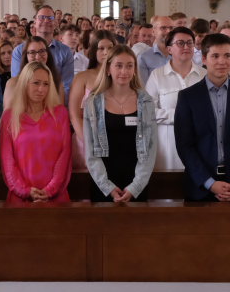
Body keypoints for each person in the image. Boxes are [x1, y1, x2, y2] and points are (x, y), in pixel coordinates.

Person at [174, 34, 230, 202]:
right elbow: (185, 147)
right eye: (215, 56)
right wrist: (209, 183)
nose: (222, 61)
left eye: (227, 55)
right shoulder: (188, 97)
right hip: (200, 186)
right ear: (204, 59)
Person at [83, 45, 157, 202]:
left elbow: (151, 147)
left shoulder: (146, 101)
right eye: (119, 65)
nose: (124, 71)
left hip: (137, 182)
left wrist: (136, 186)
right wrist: (107, 186)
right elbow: (90, 151)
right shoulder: (93, 103)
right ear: (108, 69)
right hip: (103, 183)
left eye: (129, 66)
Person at [0, 62, 72, 204]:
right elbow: (7, 161)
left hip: (55, 196)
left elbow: (65, 155)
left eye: (46, 84)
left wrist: (50, 190)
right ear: (24, 84)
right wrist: (25, 190)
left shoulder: (60, 113)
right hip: (21, 197)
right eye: (36, 83)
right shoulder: (9, 117)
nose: (41, 89)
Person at [144, 27, 205, 171]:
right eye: (180, 43)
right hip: (167, 144)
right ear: (169, 49)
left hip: (200, 142)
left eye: (189, 43)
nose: (186, 47)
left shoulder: (205, 75)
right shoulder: (157, 75)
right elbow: (147, 110)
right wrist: (178, 115)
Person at [69, 30, 117, 171]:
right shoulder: (82, 77)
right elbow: (74, 114)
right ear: (93, 51)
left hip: (114, 138)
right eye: (101, 48)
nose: (106, 52)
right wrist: (88, 141)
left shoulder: (120, 77)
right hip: (86, 139)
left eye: (110, 48)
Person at [10, 5, 74, 99]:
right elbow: (18, 83)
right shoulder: (19, 50)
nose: (46, 20)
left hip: (55, 101)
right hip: (26, 101)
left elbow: (66, 87)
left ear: (55, 23)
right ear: (35, 22)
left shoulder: (65, 52)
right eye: (41, 17)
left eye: (50, 18)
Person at [137, 15, 177, 83]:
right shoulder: (143, 57)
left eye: (171, 28)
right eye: (163, 28)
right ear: (153, 32)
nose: (168, 31)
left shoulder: (181, 55)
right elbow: (143, 86)